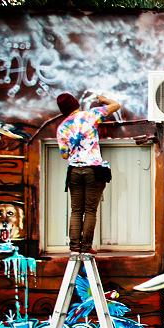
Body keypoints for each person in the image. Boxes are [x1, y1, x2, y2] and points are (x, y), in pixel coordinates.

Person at [56, 93, 121, 255]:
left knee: (76, 210)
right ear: (76, 104)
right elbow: (116, 105)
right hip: (93, 170)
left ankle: (74, 248)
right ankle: (86, 248)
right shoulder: (90, 115)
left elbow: (64, 155)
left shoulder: (62, 128)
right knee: (90, 211)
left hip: (74, 171)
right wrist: (103, 100)